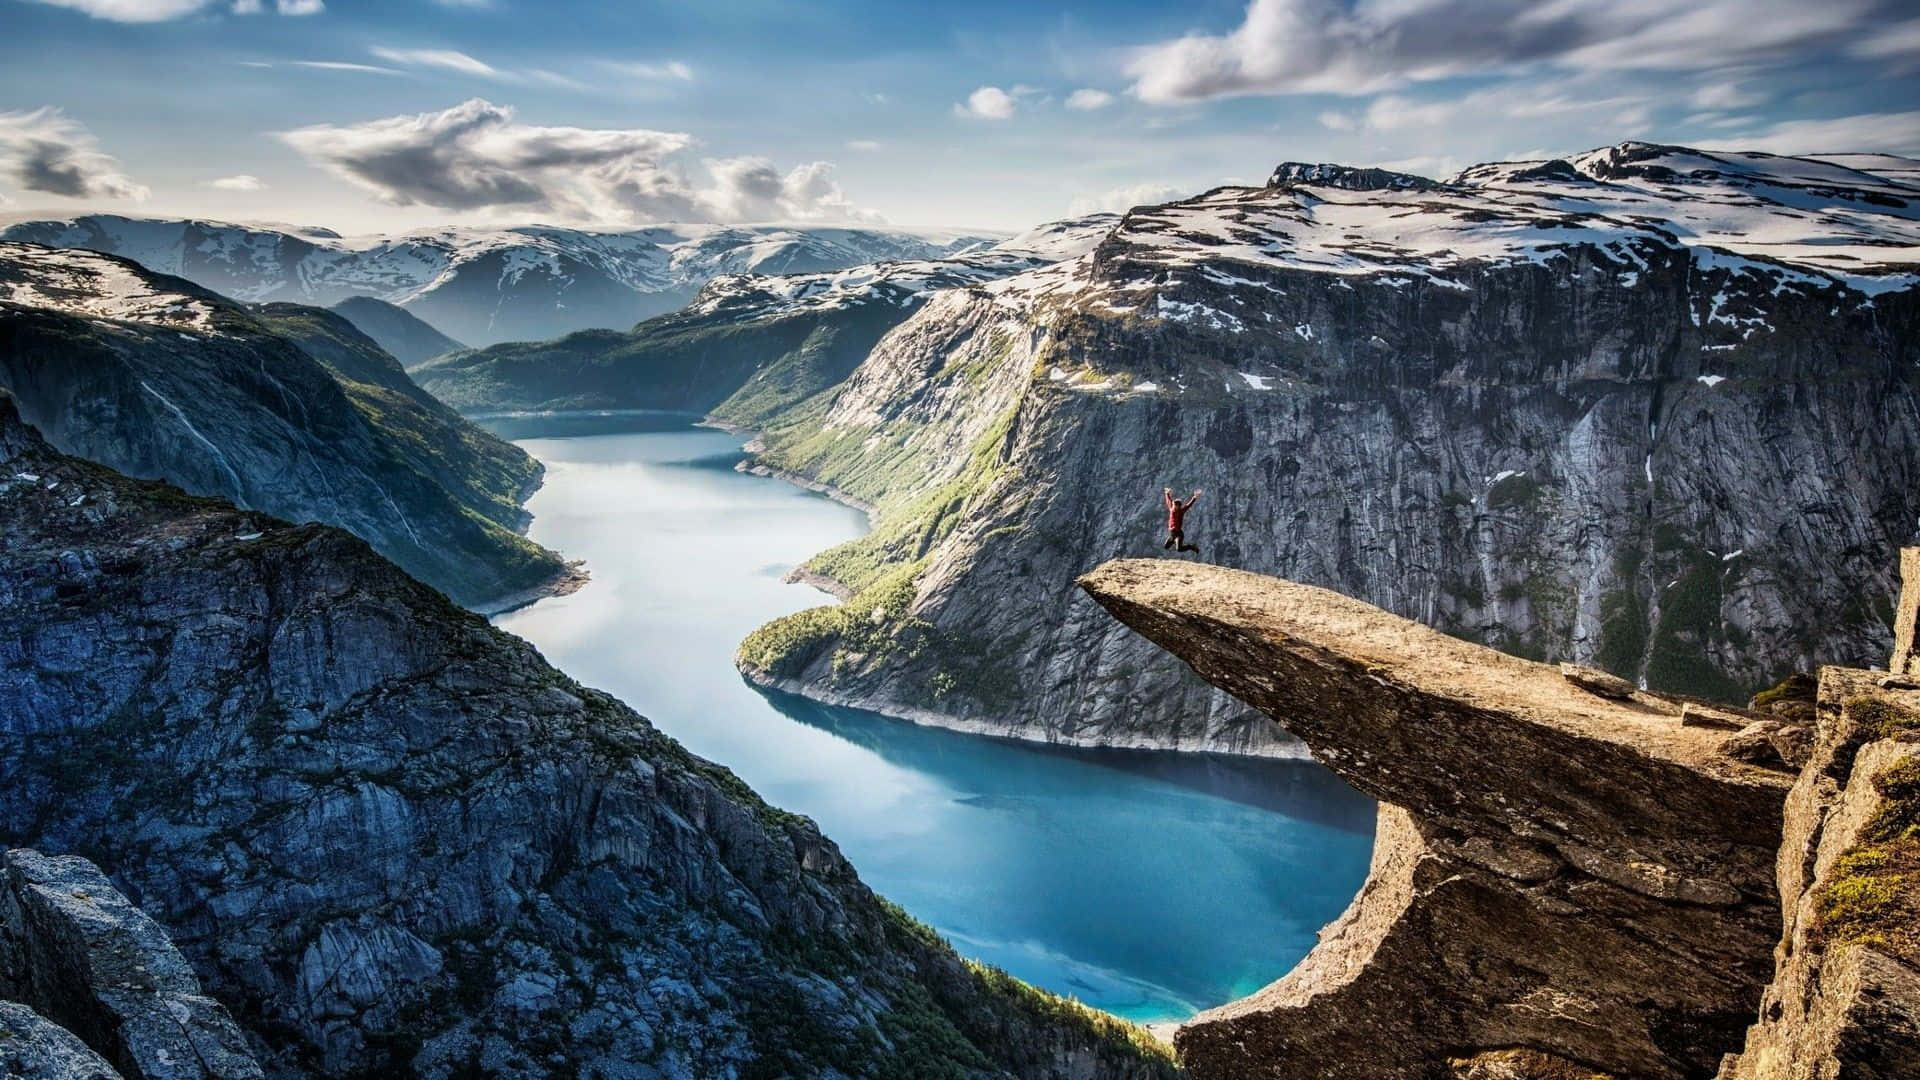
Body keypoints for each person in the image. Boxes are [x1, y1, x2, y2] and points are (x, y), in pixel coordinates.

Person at [1163, 487, 1201, 554]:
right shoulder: (1171, 509)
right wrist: (1167, 493)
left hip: (1179, 534)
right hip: (1172, 533)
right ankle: (1174, 540)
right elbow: (1169, 501)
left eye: (1175, 505)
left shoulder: (1181, 511)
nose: (1174, 506)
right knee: (1166, 547)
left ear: (1179, 506)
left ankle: (1191, 547)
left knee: (1179, 549)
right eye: (1174, 505)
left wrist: (1194, 497)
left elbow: (1188, 505)